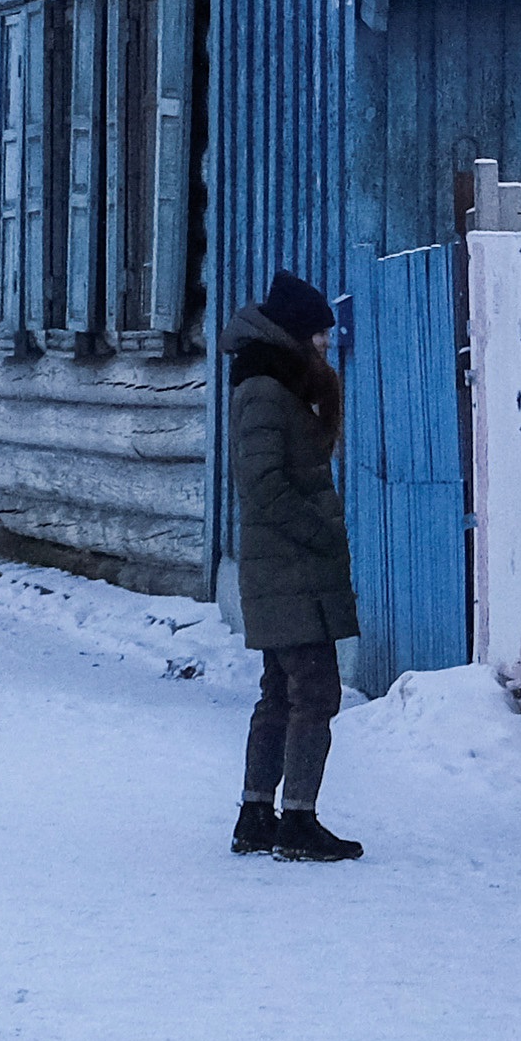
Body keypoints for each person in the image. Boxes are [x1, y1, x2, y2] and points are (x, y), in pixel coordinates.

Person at [226, 270, 361, 863]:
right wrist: (321, 530)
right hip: (288, 568)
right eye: (319, 337)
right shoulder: (263, 393)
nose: (327, 345)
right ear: (292, 336)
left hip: (284, 570)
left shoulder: (274, 389)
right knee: (315, 691)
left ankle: (258, 816)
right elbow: (263, 488)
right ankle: (298, 821)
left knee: (281, 691)